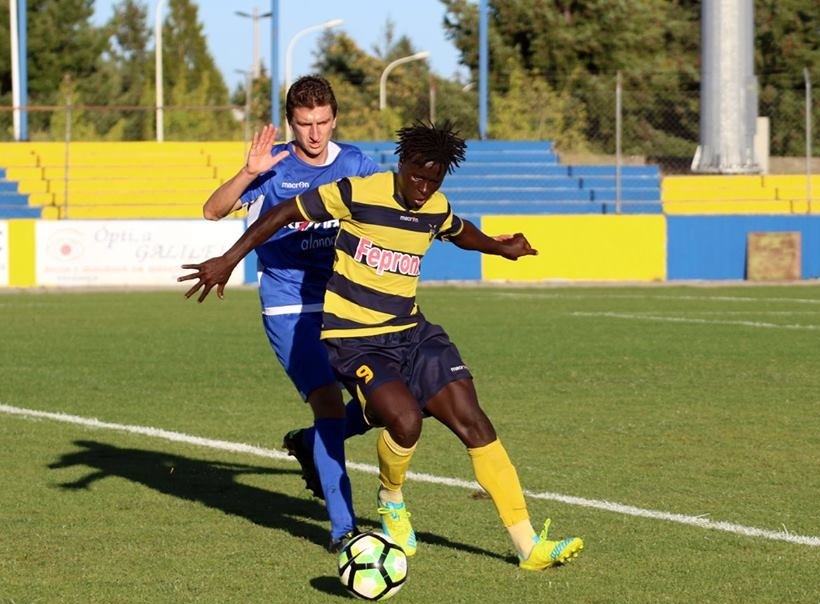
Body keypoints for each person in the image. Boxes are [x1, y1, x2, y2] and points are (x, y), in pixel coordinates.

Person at [179, 120, 584, 570]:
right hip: (355, 340)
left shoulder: (434, 205)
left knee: (474, 421)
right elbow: (283, 214)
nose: (424, 188)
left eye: (434, 181)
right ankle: (391, 499)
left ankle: (529, 548)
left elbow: (456, 228)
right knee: (406, 421)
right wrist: (229, 260)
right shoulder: (358, 191)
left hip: (412, 332)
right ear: (402, 163)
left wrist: (497, 247)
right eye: (417, 176)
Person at [200, 74, 380, 553]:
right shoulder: (274, 165)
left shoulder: (359, 164)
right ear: (291, 123)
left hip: (346, 300)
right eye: (304, 124)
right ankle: (343, 530)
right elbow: (212, 210)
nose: (315, 134)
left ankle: (308, 442)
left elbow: (389, 211)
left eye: (322, 122)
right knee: (326, 401)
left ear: (335, 118)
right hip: (287, 302)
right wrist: (247, 172)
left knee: (382, 401)